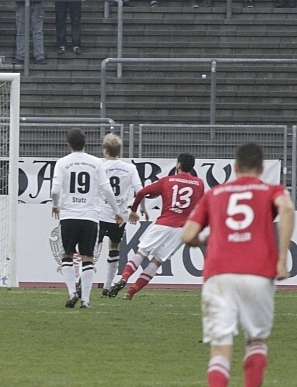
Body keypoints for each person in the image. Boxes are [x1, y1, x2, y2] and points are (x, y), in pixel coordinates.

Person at [181, 142, 294, 387]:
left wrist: (205, 239)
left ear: (234, 167)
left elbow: (187, 235)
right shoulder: (272, 190)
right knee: (256, 340)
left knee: (220, 345)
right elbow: (287, 209)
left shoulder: (214, 193)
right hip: (258, 272)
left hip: (219, 274)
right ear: (262, 167)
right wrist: (281, 258)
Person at [107, 152, 205, 299]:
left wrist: (133, 210)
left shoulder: (167, 181)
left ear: (178, 164)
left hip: (163, 223)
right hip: (182, 230)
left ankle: (124, 278)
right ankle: (131, 292)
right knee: (157, 261)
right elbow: (202, 207)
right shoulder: (199, 184)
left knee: (141, 253)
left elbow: (141, 192)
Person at [51, 128, 124, 309]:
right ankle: (85, 300)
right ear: (86, 143)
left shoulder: (62, 163)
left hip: (69, 215)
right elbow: (107, 189)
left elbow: (55, 190)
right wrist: (116, 211)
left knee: (67, 255)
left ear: (68, 144)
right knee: (88, 257)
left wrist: (55, 205)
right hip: (90, 217)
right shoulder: (96, 162)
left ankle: (71, 292)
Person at [96, 133, 144, 295]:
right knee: (114, 246)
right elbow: (140, 191)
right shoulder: (130, 168)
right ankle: (108, 285)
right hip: (120, 216)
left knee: (92, 248)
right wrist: (138, 209)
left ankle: (83, 280)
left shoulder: (100, 167)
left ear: (105, 150)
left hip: (101, 213)